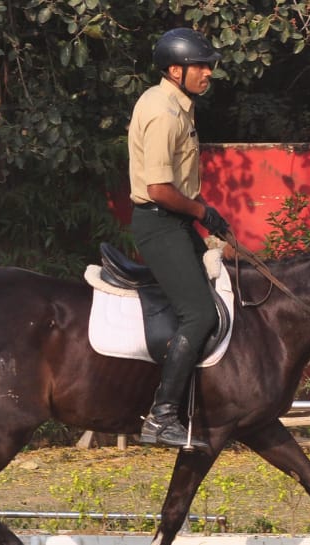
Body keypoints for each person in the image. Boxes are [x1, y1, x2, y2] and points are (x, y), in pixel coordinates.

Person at [127, 27, 230, 449]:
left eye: (208, 65)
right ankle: (161, 416)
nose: (208, 73)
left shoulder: (181, 106)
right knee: (199, 315)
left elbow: (181, 187)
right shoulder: (163, 114)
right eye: (200, 66)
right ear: (175, 70)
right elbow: (158, 189)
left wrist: (206, 220)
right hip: (159, 222)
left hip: (176, 220)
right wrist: (202, 212)